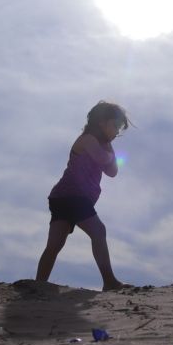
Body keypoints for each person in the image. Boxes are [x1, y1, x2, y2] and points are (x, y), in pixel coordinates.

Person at [35, 101, 135, 291]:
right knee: (98, 231)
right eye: (115, 126)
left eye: (119, 129)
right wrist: (110, 153)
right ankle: (109, 281)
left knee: (55, 243)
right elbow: (102, 159)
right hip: (72, 195)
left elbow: (112, 172)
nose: (116, 132)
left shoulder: (103, 145)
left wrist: (110, 148)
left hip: (65, 198)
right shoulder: (88, 139)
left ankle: (39, 284)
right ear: (101, 122)